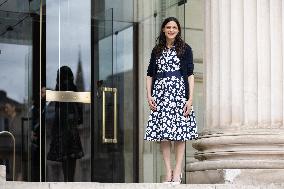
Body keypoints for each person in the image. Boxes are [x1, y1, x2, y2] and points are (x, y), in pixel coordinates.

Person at [144, 17, 198, 184]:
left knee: (180, 135)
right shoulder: (157, 50)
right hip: (160, 96)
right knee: (164, 135)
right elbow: (149, 75)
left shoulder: (185, 49)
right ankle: (168, 171)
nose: (171, 30)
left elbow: (190, 75)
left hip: (179, 95)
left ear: (178, 30)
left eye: (174, 27)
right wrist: (149, 95)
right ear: (163, 29)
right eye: (168, 27)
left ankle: (178, 171)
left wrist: (190, 99)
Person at [47, 66, 84, 182]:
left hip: (62, 129)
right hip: (71, 129)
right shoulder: (73, 88)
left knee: (64, 158)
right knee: (71, 158)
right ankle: (70, 181)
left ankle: (67, 182)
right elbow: (79, 110)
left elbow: (57, 112)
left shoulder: (59, 88)